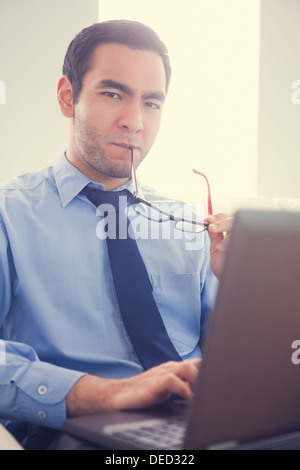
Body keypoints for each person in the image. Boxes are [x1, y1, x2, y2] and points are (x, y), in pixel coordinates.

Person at [0, 20, 233, 449]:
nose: (135, 122)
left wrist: (242, 285)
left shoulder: (188, 224)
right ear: (69, 98)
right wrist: (104, 393)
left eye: (151, 103)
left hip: (196, 425)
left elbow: (243, 363)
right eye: (113, 94)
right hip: (77, 431)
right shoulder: (9, 215)